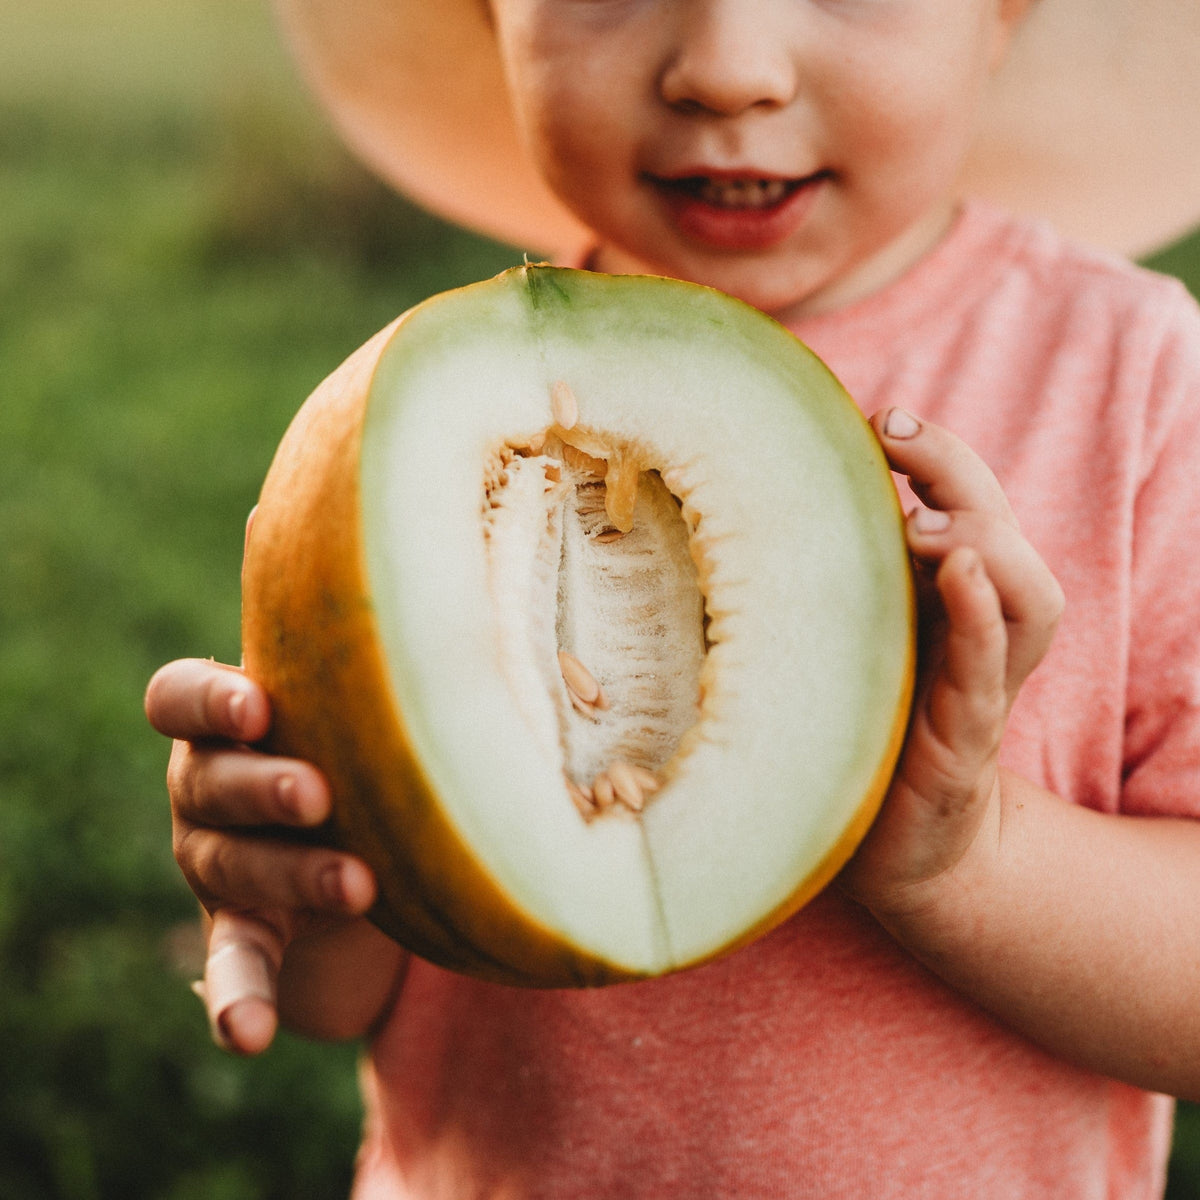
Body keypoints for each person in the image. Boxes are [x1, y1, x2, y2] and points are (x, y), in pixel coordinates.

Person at [145, 1, 1200, 1195]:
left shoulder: (1143, 387)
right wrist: (295, 868)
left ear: (1004, 15)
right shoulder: (385, 417)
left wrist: (966, 857)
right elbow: (340, 991)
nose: (727, 70)